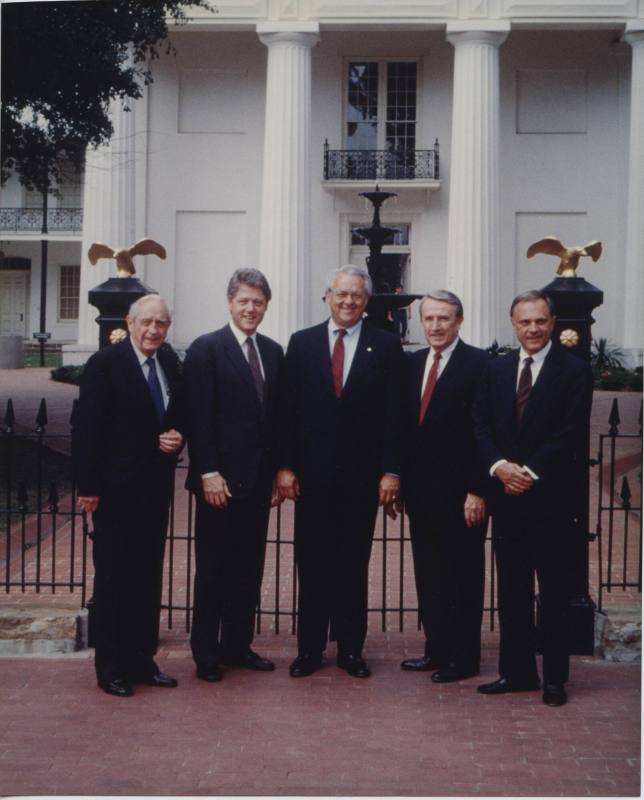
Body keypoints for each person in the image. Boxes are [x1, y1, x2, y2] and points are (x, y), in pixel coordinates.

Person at [277, 264, 405, 679]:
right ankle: (310, 649)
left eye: (356, 296)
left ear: (366, 302)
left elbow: (393, 416)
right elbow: (288, 411)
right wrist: (285, 466)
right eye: (341, 294)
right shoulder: (302, 343)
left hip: (361, 478)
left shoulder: (385, 346)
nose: (347, 301)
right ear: (327, 296)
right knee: (311, 564)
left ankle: (351, 649)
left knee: (353, 564)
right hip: (311, 478)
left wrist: (391, 471)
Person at [473, 290, 593, 707]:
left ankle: (554, 678)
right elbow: (481, 425)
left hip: (551, 501)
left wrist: (529, 472)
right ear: (513, 324)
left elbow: (570, 433)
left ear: (553, 322)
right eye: (525, 322)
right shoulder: (496, 370)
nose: (533, 329)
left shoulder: (574, 371)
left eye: (540, 321)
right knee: (512, 590)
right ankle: (517, 672)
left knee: (554, 592)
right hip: (507, 499)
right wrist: (499, 467)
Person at [74, 294, 184, 698]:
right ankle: (112, 668)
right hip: (115, 491)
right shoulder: (106, 364)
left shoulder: (169, 362)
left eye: (161, 323)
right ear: (130, 322)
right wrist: (87, 486)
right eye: (147, 323)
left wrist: (179, 435)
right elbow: (87, 428)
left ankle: (142, 659)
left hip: (154, 491)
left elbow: (176, 414)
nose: (154, 330)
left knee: (146, 577)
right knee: (115, 579)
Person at [183, 268, 284, 683]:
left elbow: (277, 419)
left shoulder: (274, 352)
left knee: (248, 568)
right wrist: (207, 471)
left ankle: (237, 646)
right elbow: (198, 415)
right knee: (213, 570)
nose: (250, 309)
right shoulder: (206, 349)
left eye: (258, 302)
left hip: (257, 482)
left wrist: (278, 472)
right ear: (230, 302)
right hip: (218, 483)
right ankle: (206, 652)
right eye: (244, 301)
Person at [398, 290, 489, 682]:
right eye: (429, 319)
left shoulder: (481, 365)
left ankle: (464, 657)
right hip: (422, 492)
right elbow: (405, 428)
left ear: (459, 321)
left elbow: (486, 432)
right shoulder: (413, 363)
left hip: (463, 494)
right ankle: (436, 648)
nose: (435, 326)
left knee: (463, 574)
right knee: (429, 572)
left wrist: (478, 489)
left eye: (444, 319)